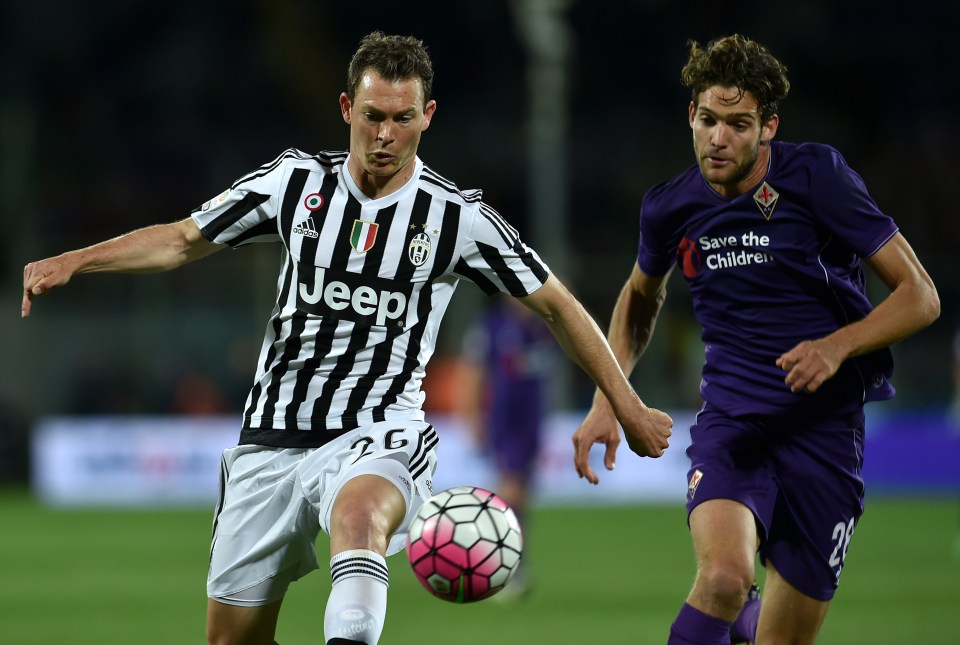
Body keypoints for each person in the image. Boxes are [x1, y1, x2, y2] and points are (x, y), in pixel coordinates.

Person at [22, 32, 673, 645]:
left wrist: (624, 402)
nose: (385, 134)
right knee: (230, 637)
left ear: (428, 116)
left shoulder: (458, 219)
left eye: (401, 117)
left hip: (378, 431)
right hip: (270, 443)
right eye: (372, 115)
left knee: (358, 518)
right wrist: (76, 259)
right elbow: (182, 238)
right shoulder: (294, 184)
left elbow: (557, 303)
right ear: (345, 108)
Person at [572, 34, 939, 645]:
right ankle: (738, 606)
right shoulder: (669, 207)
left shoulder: (817, 176)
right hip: (733, 426)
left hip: (825, 434)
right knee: (722, 577)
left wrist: (837, 345)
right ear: (691, 115)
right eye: (708, 120)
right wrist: (608, 398)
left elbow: (920, 295)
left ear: (769, 126)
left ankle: (750, 621)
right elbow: (641, 297)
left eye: (739, 125)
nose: (718, 139)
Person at [460, 295, 557, 595]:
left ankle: (508, 562)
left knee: (522, 496)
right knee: (511, 491)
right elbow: (473, 372)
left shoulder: (545, 328)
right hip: (505, 421)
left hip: (533, 422)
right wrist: (472, 415)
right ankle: (507, 567)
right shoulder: (493, 327)